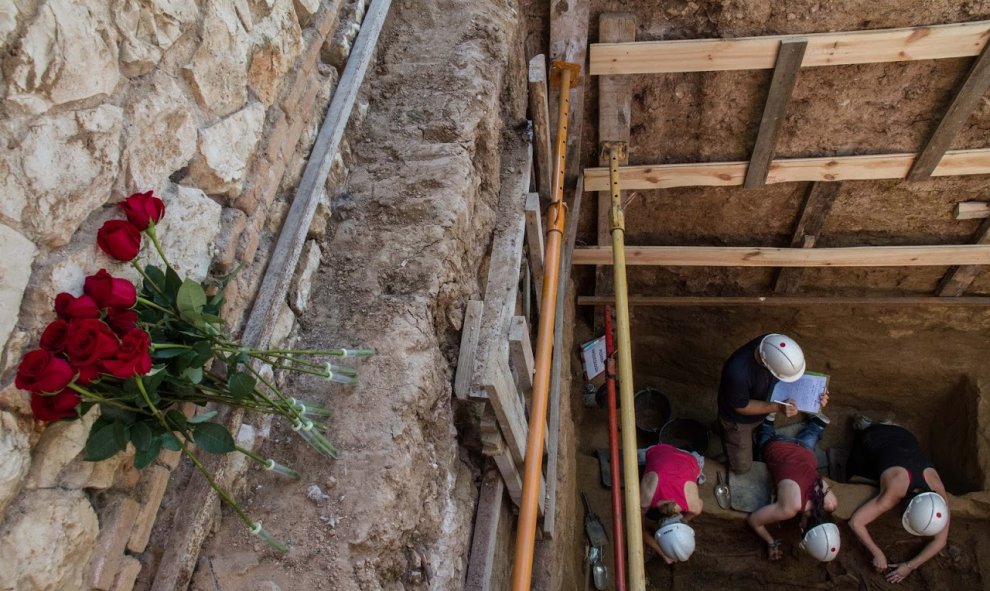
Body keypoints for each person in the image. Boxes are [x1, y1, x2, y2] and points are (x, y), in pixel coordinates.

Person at [847, 416, 950, 584]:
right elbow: (856, 522)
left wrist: (910, 565)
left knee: (889, 458)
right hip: (874, 437)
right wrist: (877, 553)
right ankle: (863, 429)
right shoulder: (894, 492)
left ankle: (882, 425)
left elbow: (941, 541)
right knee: (853, 476)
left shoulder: (938, 497)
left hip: (905, 434)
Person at [746, 415, 841, 562]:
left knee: (806, 445)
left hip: (805, 451)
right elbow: (754, 521)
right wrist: (771, 542)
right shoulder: (790, 508)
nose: (800, 528)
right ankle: (767, 424)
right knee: (761, 448)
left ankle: (816, 427)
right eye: (802, 531)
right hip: (776, 446)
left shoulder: (831, 503)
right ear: (805, 529)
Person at [718, 333, 808, 474]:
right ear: (765, 364)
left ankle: (755, 430)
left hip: (760, 407)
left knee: (759, 430)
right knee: (742, 467)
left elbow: (792, 375)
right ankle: (723, 431)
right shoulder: (737, 372)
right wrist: (777, 407)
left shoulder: (774, 344)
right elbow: (741, 407)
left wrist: (816, 393)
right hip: (738, 421)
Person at [639, 443, 703, 563]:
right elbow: (638, 530)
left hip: (686, 456)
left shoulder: (694, 507)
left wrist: (685, 520)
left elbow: (642, 529)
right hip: (658, 449)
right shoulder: (645, 501)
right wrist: (662, 552)